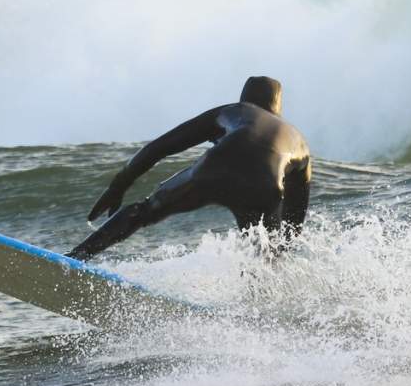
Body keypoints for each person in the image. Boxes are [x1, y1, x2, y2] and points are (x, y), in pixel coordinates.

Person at [68, 76, 312, 260]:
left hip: (214, 170)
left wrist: (118, 186)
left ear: (244, 99)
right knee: (266, 254)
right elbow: (296, 214)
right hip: (264, 188)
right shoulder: (299, 141)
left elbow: (160, 147)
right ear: (277, 106)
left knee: (143, 211)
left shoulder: (235, 111)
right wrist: (282, 248)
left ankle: (76, 259)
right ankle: (258, 309)